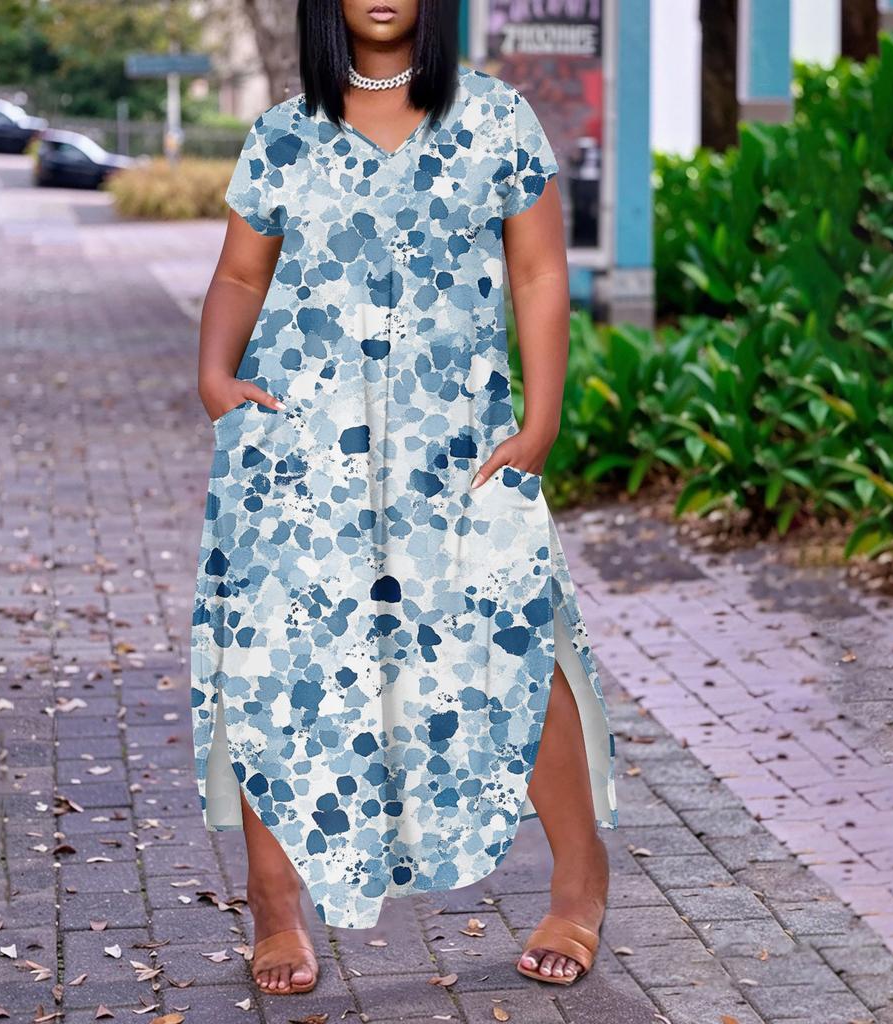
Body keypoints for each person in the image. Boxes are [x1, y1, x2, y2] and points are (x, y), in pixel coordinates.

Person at [190, 0, 618, 997]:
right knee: (278, 660)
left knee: (511, 642)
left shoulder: (496, 118)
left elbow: (538, 271)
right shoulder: (285, 132)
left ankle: (578, 875)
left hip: (458, 447)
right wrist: (215, 375)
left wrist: (542, 419)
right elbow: (241, 274)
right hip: (301, 452)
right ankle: (275, 902)